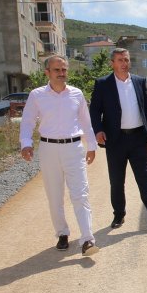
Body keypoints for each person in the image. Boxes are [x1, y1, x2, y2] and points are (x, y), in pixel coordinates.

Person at [19, 55, 99, 256]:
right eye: (57, 70)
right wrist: (26, 144)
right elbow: (27, 121)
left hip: (74, 148)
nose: (61, 73)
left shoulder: (76, 94)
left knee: (80, 194)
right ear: (47, 72)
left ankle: (87, 239)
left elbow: (86, 122)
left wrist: (91, 146)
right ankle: (62, 233)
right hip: (49, 149)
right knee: (54, 195)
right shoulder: (37, 95)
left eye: (64, 70)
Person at [89, 48, 147, 230]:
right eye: (120, 60)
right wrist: (98, 130)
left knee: (144, 179)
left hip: (138, 138)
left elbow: (146, 108)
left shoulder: (138, 81)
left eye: (126, 60)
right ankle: (119, 215)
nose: (124, 63)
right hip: (115, 140)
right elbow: (94, 110)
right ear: (112, 63)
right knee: (117, 180)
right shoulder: (103, 84)